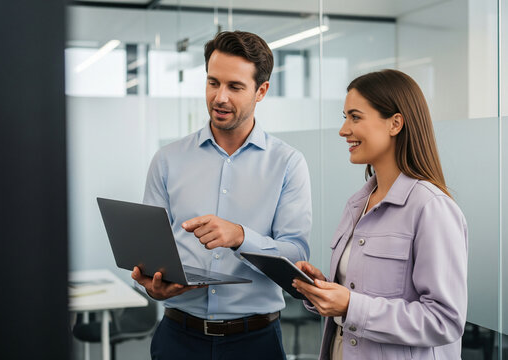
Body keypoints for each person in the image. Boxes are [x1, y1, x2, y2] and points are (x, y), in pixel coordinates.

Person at [132, 31, 312, 360]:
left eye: (235, 86)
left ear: (261, 91)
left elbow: (296, 253)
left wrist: (241, 236)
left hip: (255, 342)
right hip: (177, 338)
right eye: (213, 82)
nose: (220, 97)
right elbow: (150, 249)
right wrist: (152, 284)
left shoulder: (287, 163)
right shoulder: (168, 159)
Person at [293, 69, 468, 360]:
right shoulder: (358, 203)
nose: (343, 129)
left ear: (395, 123)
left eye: (355, 117)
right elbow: (358, 293)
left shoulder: (430, 207)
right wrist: (323, 290)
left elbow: (444, 320)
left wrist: (351, 306)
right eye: (344, 117)